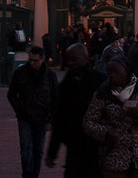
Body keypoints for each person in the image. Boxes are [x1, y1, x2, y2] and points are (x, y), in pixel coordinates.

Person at [83, 56, 138, 176]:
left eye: (115, 72)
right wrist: (107, 132)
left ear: (126, 71)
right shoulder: (103, 92)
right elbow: (88, 123)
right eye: (109, 72)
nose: (111, 75)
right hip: (114, 158)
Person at [46, 43, 107, 177]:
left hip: (96, 145)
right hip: (74, 145)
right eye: (68, 59)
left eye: (75, 59)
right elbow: (59, 119)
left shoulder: (100, 81)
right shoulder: (66, 84)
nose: (70, 63)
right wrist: (52, 151)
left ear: (86, 58)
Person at [8, 46, 59, 178]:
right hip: (25, 116)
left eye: (35, 60)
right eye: (30, 60)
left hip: (42, 117)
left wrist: (50, 120)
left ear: (42, 59)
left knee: (38, 150)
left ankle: (34, 174)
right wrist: (19, 109)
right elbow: (12, 94)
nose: (32, 63)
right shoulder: (21, 73)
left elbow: (55, 99)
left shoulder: (50, 75)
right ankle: (28, 174)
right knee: (25, 148)